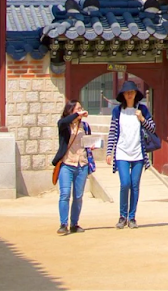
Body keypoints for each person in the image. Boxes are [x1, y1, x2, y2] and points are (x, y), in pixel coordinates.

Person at [104, 80, 156, 229]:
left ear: (135, 94)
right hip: (122, 152)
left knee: (135, 185)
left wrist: (142, 119)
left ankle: (132, 217)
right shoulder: (117, 111)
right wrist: (109, 151)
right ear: (123, 94)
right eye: (127, 92)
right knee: (125, 183)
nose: (129, 95)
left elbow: (152, 128)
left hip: (138, 153)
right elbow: (113, 132)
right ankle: (122, 216)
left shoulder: (142, 109)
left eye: (132, 92)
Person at [53, 100, 95, 235]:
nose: (80, 111)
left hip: (82, 163)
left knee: (78, 196)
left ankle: (74, 223)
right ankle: (63, 224)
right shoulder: (64, 125)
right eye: (77, 109)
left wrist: (91, 146)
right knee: (65, 194)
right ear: (70, 111)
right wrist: (77, 115)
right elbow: (62, 122)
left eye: (81, 108)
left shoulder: (85, 126)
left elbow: (87, 142)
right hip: (67, 163)